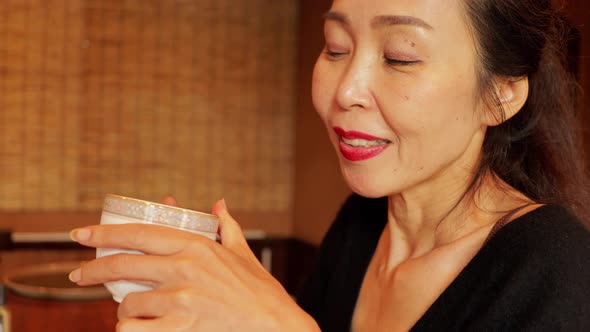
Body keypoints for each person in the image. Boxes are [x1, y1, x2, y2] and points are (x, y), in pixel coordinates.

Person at [68, 0, 590, 331]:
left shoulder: (558, 269)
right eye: (336, 47)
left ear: (501, 94)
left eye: (400, 56)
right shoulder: (360, 229)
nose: (345, 90)